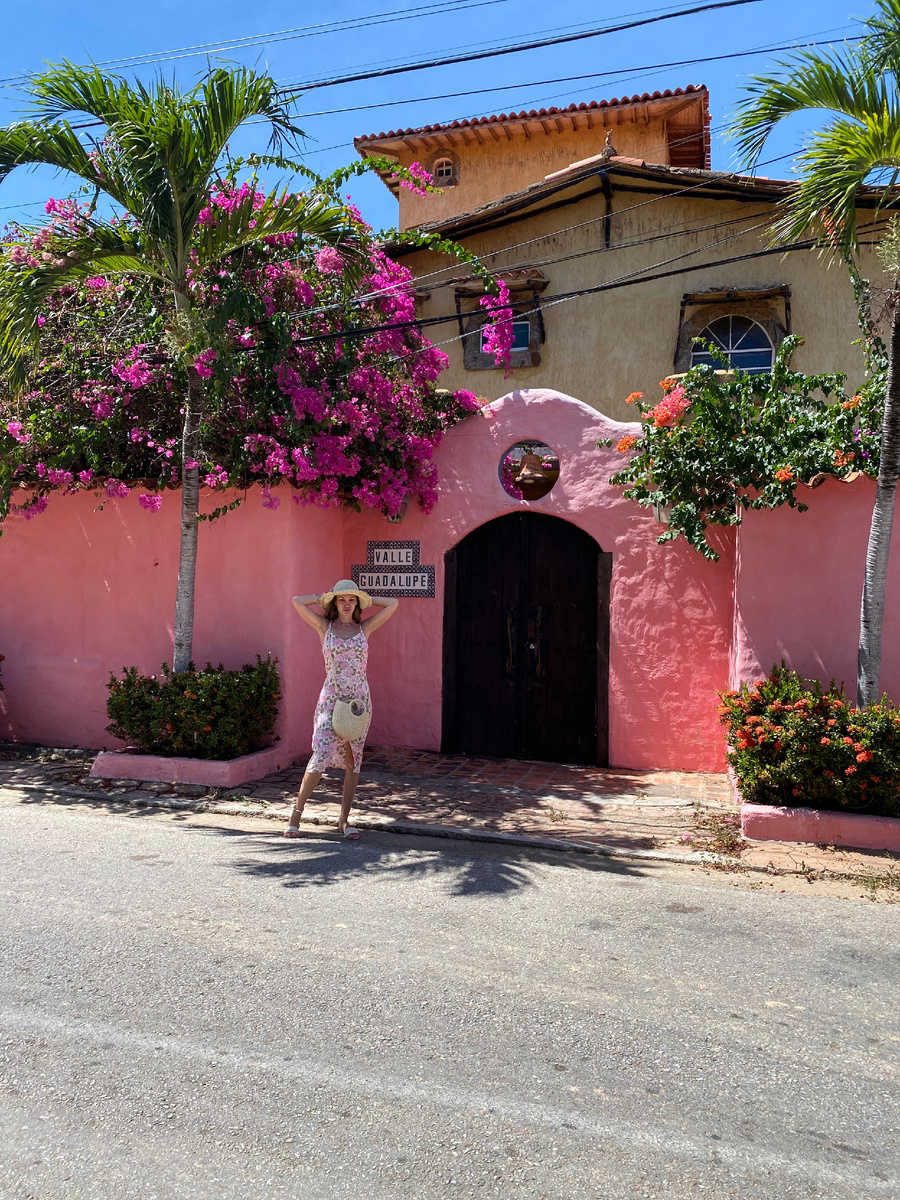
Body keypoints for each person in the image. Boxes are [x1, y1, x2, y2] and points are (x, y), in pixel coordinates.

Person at [285, 580, 399, 840]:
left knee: (352, 761)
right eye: (341, 599)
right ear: (334, 603)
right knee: (321, 754)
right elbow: (296, 601)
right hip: (331, 700)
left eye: (352, 599)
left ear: (357, 604)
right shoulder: (324, 627)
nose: (347, 604)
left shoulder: (364, 628)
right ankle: (296, 813)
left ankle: (344, 820)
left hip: (359, 701)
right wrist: (321, 595)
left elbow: (394, 603)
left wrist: (368, 598)